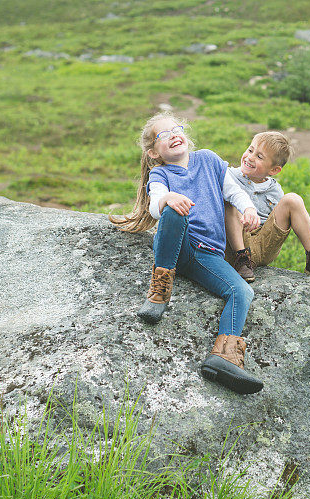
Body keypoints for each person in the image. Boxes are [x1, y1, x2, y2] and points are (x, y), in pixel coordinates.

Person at [110, 113, 264, 395]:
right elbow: (156, 205)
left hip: (208, 256)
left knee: (242, 292)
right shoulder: (161, 174)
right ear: (154, 152)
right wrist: (168, 198)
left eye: (176, 129)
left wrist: (248, 209)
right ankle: (160, 289)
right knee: (173, 211)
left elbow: (234, 191)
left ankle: (224, 356)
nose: (173, 135)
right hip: (178, 247)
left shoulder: (209, 159)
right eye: (163, 135)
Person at [224, 131, 310, 284]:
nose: (250, 157)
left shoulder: (274, 190)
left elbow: (277, 225)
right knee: (229, 201)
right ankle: (241, 260)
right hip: (236, 243)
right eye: (250, 150)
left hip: (264, 244)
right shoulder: (228, 175)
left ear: (274, 170)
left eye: (259, 157)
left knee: (293, 199)